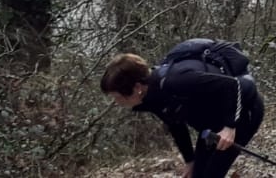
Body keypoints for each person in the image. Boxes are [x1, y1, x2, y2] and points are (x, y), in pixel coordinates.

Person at [101, 40, 265, 178]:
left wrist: (230, 127)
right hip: (212, 122)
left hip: (243, 111)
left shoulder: (177, 80)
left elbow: (232, 86)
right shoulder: (151, 97)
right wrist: (190, 161)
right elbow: (176, 125)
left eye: (117, 96)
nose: (116, 102)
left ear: (137, 87)